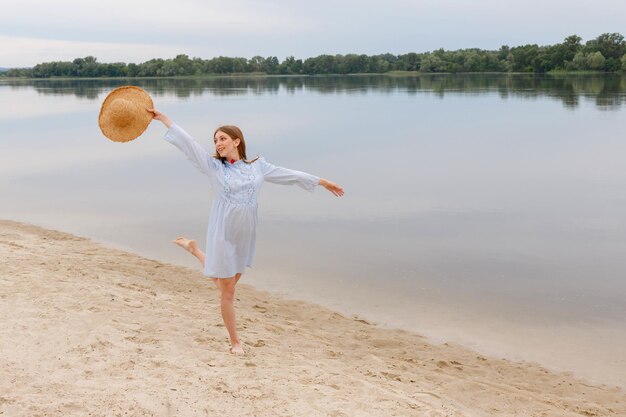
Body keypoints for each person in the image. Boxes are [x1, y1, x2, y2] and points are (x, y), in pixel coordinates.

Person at [148, 108, 344, 354]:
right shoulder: (213, 167)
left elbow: (288, 175)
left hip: (246, 232)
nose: (218, 144)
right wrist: (164, 119)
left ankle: (195, 251)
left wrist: (323, 182)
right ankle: (235, 342)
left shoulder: (258, 166)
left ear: (236, 141)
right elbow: (189, 144)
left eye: (223, 139)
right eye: (216, 140)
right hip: (222, 231)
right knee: (227, 290)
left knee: (224, 282)